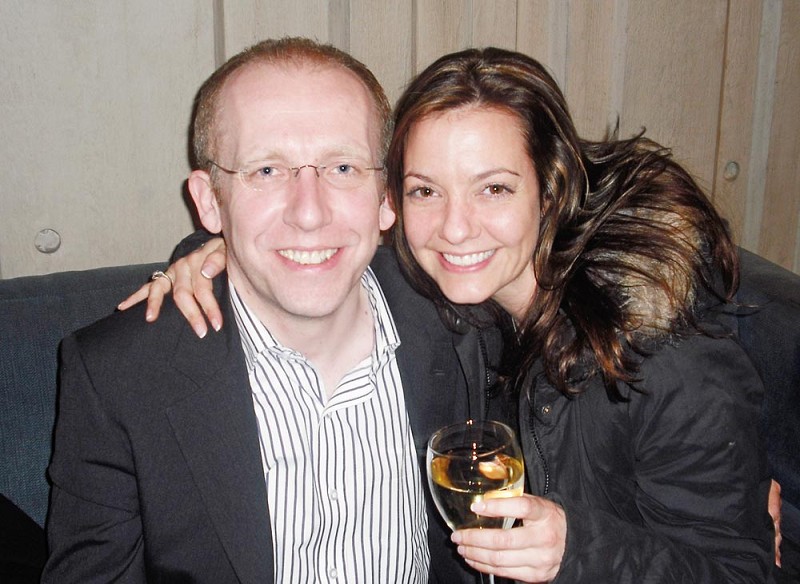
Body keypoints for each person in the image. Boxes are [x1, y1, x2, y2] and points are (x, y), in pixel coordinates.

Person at [139, 47, 779, 582]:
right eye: (426, 190)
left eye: (493, 188)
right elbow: (311, 242)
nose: (454, 227)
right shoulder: (452, 297)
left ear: (550, 187)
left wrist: (577, 549)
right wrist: (211, 250)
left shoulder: (668, 359)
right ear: (393, 201)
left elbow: (741, 573)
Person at [43, 38, 502, 583]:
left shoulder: (466, 321)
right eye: (265, 171)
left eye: (342, 167)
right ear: (209, 200)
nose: (309, 213)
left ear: (386, 196)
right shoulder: (117, 377)